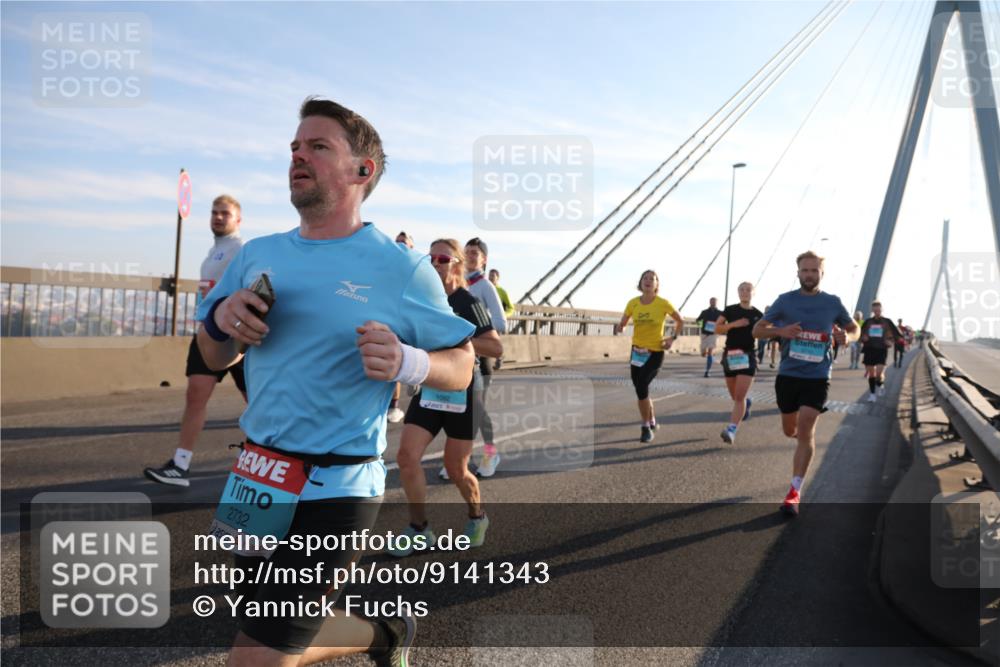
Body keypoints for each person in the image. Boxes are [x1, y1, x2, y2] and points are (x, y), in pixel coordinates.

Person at [196, 97, 476, 666]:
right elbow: (213, 354)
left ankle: (381, 635)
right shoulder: (258, 254)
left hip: (337, 483)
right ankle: (385, 634)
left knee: (257, 656)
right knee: (263, 624)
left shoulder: (402, 268)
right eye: (295, 147)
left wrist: (409, 361)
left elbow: (463, 364)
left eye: (318, 146)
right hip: (256, 475)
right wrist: (222, 320)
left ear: (361, 170)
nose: (298, 156)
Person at [389, 238, 502, 557]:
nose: (435, 264)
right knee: (406, 457)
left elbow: (495, 347)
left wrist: (457, 339)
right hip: (430, 388)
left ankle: (477, 516)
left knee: (456, 469)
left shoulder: (468, 301)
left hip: (464, 392)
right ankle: (419, 529)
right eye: (431, 258)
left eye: (442, 259)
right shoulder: (423, 300)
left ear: (457, 265)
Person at [144, 195, 247, 487]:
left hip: (237, 337)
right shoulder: (212, 253)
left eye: (225, 213)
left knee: (256, 403)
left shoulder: (242, 250)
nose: (218, 217)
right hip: (207, 333)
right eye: (214, 212)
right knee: (195, 396)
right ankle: (180, 464)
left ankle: (269, 460)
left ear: (238, 220)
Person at [752, 251, 857, 517]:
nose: (809, 275)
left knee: (807, 428)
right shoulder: (785, 301)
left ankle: (794, 492)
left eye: (814, 271)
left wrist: (848, 337)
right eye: (805, 270)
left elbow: (854, 328)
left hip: (818, 375)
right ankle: (800, 440)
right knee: (790, 429)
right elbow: (757, 330)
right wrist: (780, 331)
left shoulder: (832, 302)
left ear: (822, 273)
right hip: (789, 374)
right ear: (797, 272)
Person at [456, 237, 507, 479]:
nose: (469, 256)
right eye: (466, 252)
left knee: (477, 409)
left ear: (484, 259)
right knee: (454, 408)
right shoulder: (456, 284)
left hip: (480, 355)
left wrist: (473, 333)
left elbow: (501, 322)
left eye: (474, 253)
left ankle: (490, 453)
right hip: (457, 355)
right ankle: (458, 458)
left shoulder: (485, 286)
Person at [615, 270, 684, 443]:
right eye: (645, 278)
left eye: (652, 279)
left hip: (655, 352)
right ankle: (652, 420)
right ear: (640, 283)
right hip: (637, 352)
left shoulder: (663, 303)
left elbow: (680, 321)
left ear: (656, 284)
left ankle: (645, 427)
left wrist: (672, 338)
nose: (648, 281)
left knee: (641, 386)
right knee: (641, 389)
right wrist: (621, 327)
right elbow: (623, 323)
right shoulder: (633, 303)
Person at [715, 282, 763, 444]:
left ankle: (732, 429)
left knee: (739, 397)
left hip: (747, 356)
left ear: (753, 293)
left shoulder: (758, 314)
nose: (744, 292)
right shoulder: (730, 310)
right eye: (741, 289)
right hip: (730, 355)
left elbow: (765, 331)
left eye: (748, 290)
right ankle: (746, 403)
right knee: (735, 396)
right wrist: (734, 324)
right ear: (738, 292)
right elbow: (717, 328)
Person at [387, 231, 416, 423]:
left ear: (412, 248)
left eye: (404, 243)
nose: (400, 246)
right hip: (389, 321)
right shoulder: (387, 267)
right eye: (397, 242)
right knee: (390, 361)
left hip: (408, 323)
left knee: (397, 363)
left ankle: (394, 405)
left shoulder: (417, 269)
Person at [860, 301, 903, 402]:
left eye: (878, 310)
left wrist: (891, 341)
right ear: (872, 310)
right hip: (869, 349)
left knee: (879, 374)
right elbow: (860, 334)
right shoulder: (868, 322)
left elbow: (898, 334)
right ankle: (872, 395)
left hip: (881, 350)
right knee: (871, 374)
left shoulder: (887, 321)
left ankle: (881, 385)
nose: (877, 312)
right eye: (875, 310)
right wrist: (863, 338)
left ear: (882, 310)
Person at [488, 268, 514, 370]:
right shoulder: (485, 288)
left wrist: (504, 315)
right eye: (489, 275)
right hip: (485, 319)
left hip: (497, 320)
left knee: (494, 339)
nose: (490, 278)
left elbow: (511, 307)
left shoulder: (502, 292)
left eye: (493, 276)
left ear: (497, 278)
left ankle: (498, 357)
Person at [697, 297, 722, 377]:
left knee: (710, 351)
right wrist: (702, 326)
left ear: (717, 303)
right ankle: (708, 355)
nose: (713, 303)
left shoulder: (720, 313)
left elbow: (724, 322)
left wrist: (718, 327)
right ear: (709, 302)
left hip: (713, 334)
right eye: (712, 301)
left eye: (714, 301)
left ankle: (707, 371)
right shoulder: (704, 312)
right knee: (703, 353)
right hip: (704, 334)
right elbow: (698, 320)